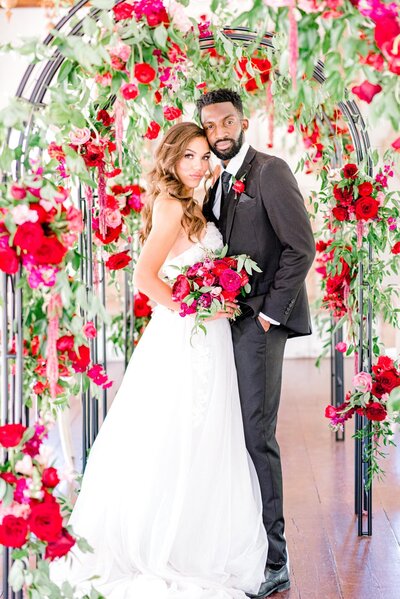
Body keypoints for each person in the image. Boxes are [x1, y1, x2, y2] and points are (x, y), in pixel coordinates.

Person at [50, 122, 268, 599]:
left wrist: (216, 296)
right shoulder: (171, 205)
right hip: (183, 337)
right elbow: (145, 279)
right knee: (176, 433)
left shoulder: (195, 205)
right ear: (170, 158)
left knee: (208, 434)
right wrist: (202, 305)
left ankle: (199, 535)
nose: (198, 164)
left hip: (206, 335)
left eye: (203, 156)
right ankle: (165, 542)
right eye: (188, 156)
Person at [198, 89, 316, 598]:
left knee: (256, 436)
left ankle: (276, 558)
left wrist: (270, 313)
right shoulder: (214, 182)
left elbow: (300, 247)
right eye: (211, 125)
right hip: (224, 323)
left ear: (243, 122)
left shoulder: (270, 171)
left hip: (260, 325)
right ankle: (239, 541)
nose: (220, 131)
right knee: (226, 433)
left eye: (228, 121)